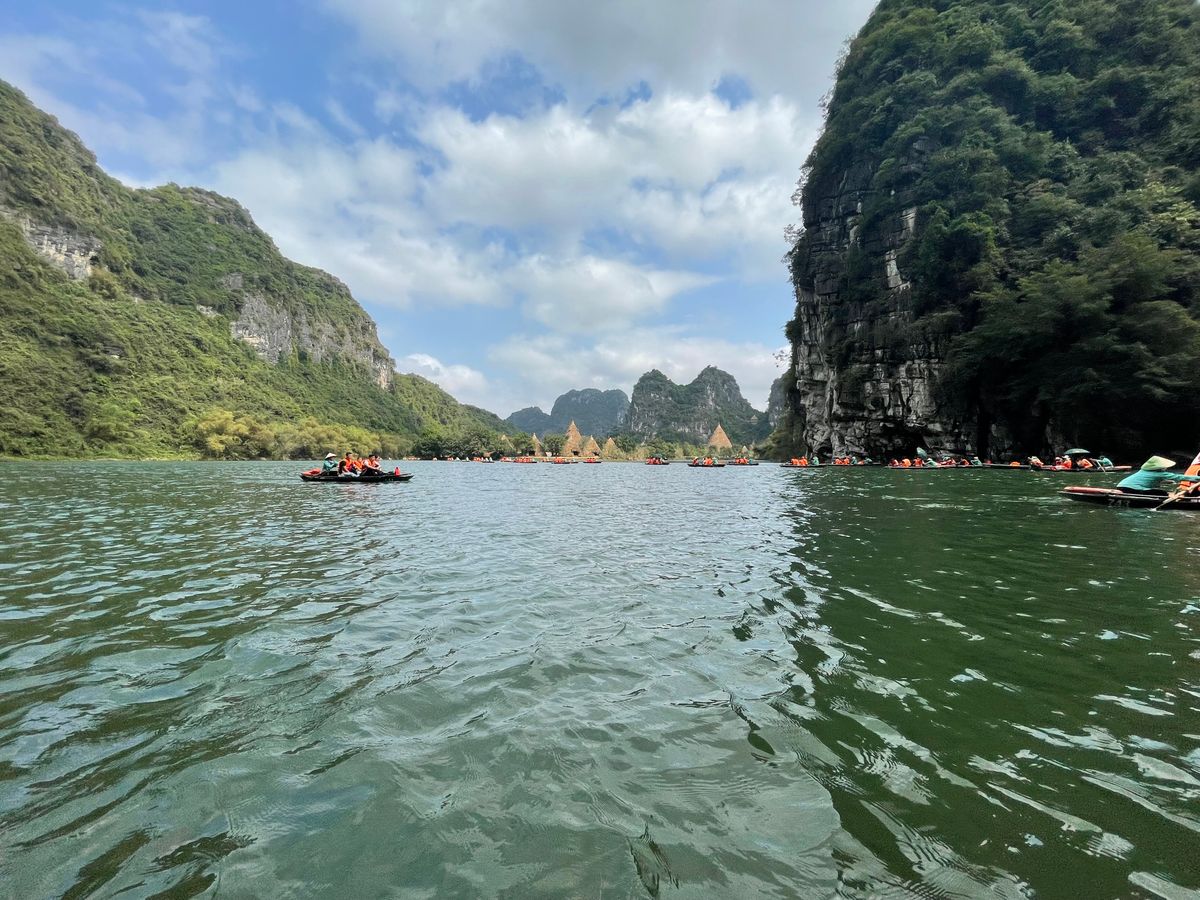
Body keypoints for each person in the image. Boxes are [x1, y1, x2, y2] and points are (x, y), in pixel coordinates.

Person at [1117, 457, 1195, 496]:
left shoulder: (1142, 471)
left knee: (1158, 491)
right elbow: (1180, 477)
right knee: (1162, 493)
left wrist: (1165, 481)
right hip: (1133, 489)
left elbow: (1147, 480)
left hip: (1121, 486)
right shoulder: (1160, 474)